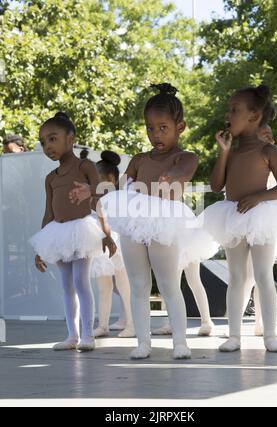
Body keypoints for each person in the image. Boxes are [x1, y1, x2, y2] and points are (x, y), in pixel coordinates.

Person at [69, 83, 218, 360]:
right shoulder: (138, 159)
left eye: (163, 127)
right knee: (138, 285)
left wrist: (171, 176)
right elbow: (121, 189)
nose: (155, 134)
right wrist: (92, 190)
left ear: (180, 126)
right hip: (135, 223)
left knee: (169, 284)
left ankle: (180, 342)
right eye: (150, 128)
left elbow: (182, 172)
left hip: (164, 222)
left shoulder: (186, 156)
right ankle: (143, 342)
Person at [204, 84, 277, 352]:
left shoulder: (268, 151)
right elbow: (215, 185)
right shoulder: (231, 151)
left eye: (235, 110)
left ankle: (270, 334)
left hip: (261, 217)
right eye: (229, 109)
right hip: (233, 215)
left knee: (262, 274)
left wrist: (258, 197)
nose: (228, 114)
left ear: (254, 116)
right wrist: (223, 152)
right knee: (236, 276)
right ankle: (234, 335)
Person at [29, 112, 116, 352]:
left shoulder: (84, 165)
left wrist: (106, 232)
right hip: (58, 233)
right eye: (43, 141)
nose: (48, 146)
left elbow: (100, 197)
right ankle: (72, 335)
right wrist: (41, 248)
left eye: (53, 139)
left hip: (82, 230)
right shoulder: (50, 178)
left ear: (70, 139)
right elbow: (49, 213)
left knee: (80, 280)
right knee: (67, 285)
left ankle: (88, 334)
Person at [91, 150, 135, 338]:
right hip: (99, 242)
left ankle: (132, 324)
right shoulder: (94, 198)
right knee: (104, 286)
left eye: (97, 178)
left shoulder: (118, 198)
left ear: (111, 179)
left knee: (124, 284)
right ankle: (103, 325)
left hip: (116, 241)